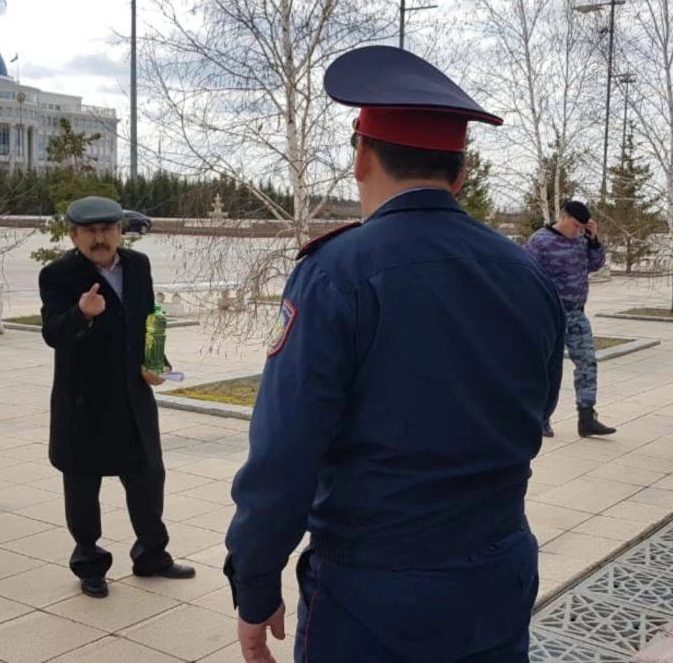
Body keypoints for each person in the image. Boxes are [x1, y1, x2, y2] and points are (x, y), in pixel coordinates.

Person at [222, 45, 565, 663]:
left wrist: (255, 581)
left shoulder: (335, 273)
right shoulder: (526, 273)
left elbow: (284, 454)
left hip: (373, 593)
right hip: (498, 574)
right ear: (460, 174)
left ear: (360, 157)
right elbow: (538, 410)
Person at [39, 196, 195, 599]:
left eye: (107, 230)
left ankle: (152, 556)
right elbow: (54, 334)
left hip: (132, 399)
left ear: (120, 231)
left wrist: (156, 362)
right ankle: (90, 564)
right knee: (83, 487)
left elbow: (148, 320)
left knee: (148, 479)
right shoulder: (57, 275)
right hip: (83, 403)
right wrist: (82, 313)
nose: (99, 238)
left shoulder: (138, 266)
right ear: (73, 235)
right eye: (89, 231)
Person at [524, 200, 617, 438]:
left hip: (576, 314)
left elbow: (596, 264)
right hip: (549, 315)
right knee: (545, 368)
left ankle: (586, 418)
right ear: (563, 216)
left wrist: (594, 240)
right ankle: (540, 419)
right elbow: (526, 275)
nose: (577, 231)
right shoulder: (539, 241)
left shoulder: (582, 240)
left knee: (587, 363)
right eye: (575, 225)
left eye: (581, 227)